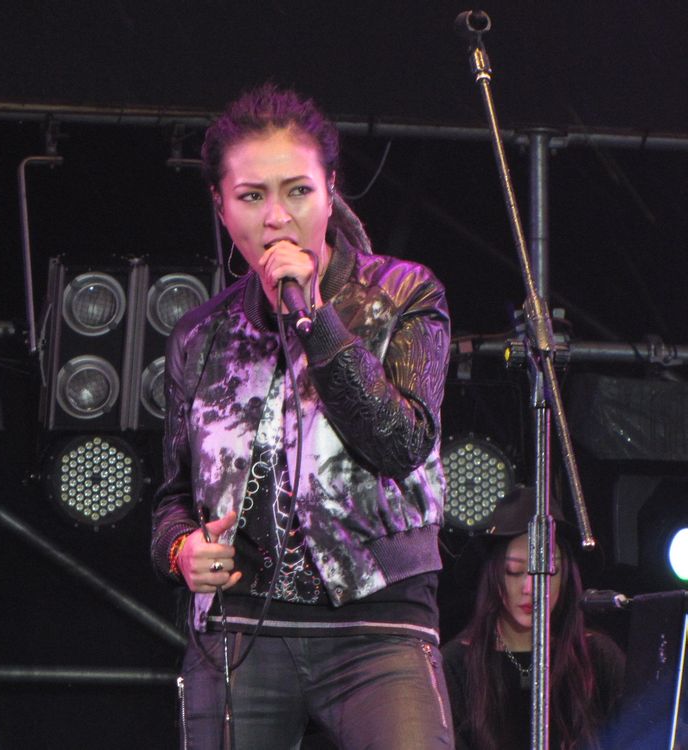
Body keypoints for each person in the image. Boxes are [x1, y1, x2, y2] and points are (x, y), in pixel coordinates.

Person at [150, 82, 453, 749]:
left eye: (298, 191)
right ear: (220, 205)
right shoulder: (200, 335)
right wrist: (181, 550)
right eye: (251, 196)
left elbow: (401, 443)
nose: (277, 217)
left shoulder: (403, 293)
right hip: (239, 630)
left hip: (379, 626)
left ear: (331, 189)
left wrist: (315, 316)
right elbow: (172, 497)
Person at [441, 486, 625, 750]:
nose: (530, 588)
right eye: (514, 571)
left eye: (547, 572)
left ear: (565, 576)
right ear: (494, 575)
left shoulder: (597, 657)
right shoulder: (456, 666)